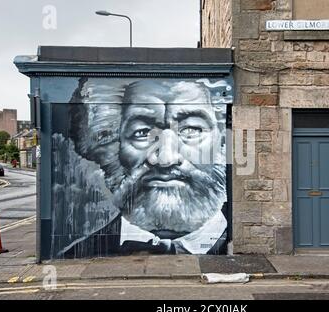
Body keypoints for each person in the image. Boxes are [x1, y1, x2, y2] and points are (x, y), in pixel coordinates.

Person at [55, 78, 231, 257]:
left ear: (223, 141)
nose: (165, 159)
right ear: (116, 146)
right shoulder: (77, 256)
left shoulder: (248, 240)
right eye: (142, 132)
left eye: (191, 130)